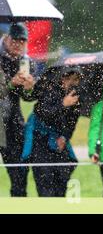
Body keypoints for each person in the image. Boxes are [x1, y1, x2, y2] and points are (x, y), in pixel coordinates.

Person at [21, 67, 82, 197]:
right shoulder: (49, 88)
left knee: (63, 175)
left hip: (60, 141)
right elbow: (43, 113)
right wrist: (63, 104)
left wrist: (64, 137)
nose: (72, 82)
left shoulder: (76, 96)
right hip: (40, 139)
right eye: (70, 78)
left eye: (76, 79)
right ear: (63, 78)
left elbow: (72, 122)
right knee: (45, 179)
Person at [0, 23, 36, 197]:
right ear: (6, 38)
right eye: (15, 41)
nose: (18, 45)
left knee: (19, 173)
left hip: (13, 122)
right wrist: (10, 84)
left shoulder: (26, 61)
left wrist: (29, 88)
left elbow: (28, 98)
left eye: (22, 42)